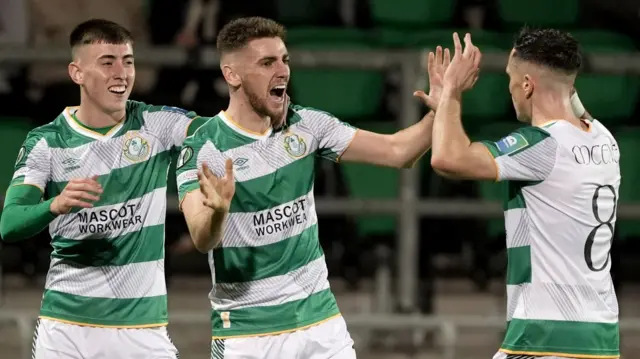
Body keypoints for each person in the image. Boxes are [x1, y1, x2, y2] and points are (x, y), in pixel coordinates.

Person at [175, 16, 446, 359]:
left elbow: (398, 152)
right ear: (232, 75)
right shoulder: (204, 147)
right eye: (267, 62)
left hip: (321, 324)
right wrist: (218, 212)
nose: (283, 70)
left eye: (285, 59)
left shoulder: (308, 125)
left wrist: (443, 107)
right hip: (249, 332)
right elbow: (201, 237)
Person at [0, 19, 208, 359]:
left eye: (128, 62)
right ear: (76, 73)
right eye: (107, 62)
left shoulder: (157, 124)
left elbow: (221, 131)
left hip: (142, 332)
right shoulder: (47, 141)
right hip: (67, 331)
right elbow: (9, 224)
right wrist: (55, 204)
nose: (121, 73)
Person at [425, 29, 620, 359]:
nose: (510, 87)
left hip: (546, 336)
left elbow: (447, 158)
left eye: (510, 78)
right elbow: (571, 100)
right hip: (601, 337)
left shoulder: (541, 146)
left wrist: (450, 93)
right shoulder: (604, 139)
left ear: (527, 85)